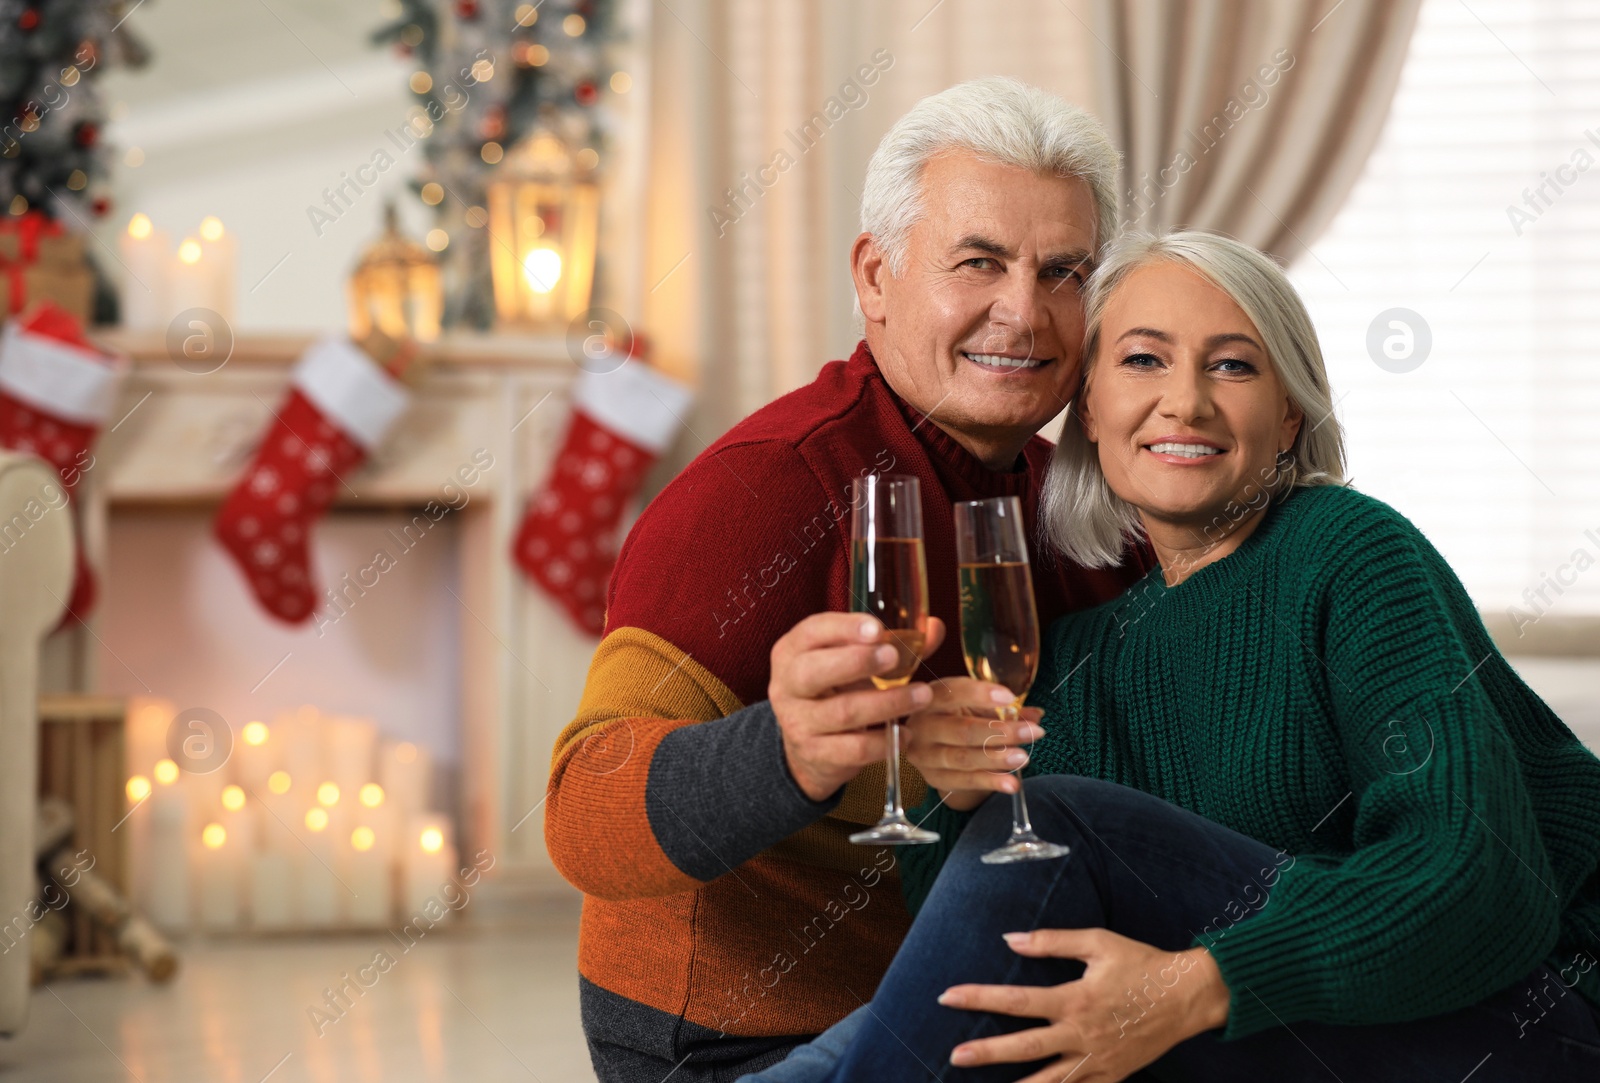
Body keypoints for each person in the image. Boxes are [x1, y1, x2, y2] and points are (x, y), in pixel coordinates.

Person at [742, 231, 1600, 1082]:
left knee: (1061, 822)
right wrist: (954, 795)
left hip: (1527, 1022)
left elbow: (1478, 873)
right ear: (1088, 406)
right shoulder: (1078, 656)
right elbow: (985, 958)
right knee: (865, 1041)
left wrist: (1194, 984)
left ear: (1289, 415)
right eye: (1145, 360)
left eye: (1233, 366)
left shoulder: (1350, 552)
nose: (1185, 402)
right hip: (1294, 1035)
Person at [544, 77, 1153, 1081]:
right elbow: (581, 812)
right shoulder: (763, 492)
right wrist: (786, 754)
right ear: (875, 278)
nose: (1025, 312)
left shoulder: (1074, 502)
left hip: (964, 1003)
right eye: (979, 262)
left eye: (1063, 272)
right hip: (738, 1042)